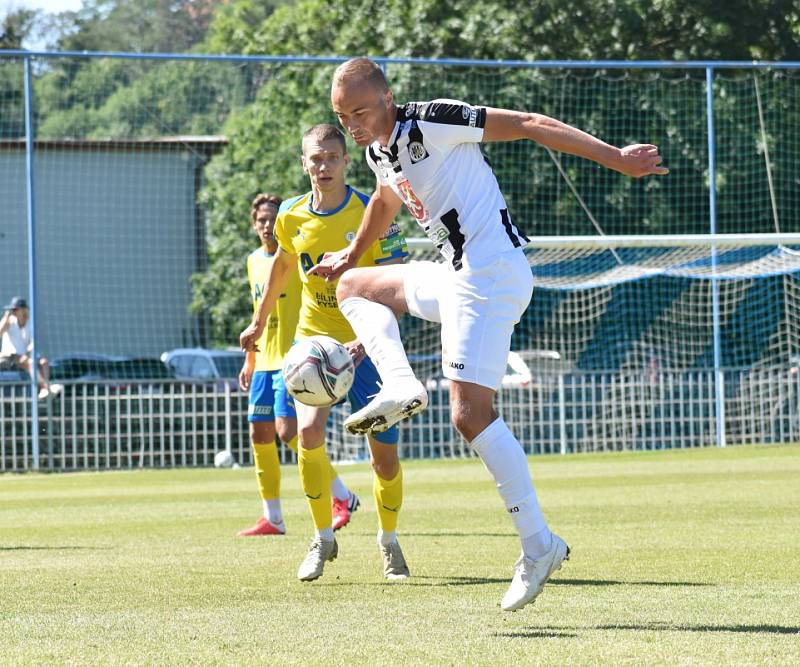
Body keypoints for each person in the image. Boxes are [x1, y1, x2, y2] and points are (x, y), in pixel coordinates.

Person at [310, 57, 669, 611]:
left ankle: (539, 545)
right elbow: (385, 200)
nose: (353, 124)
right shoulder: (377, 151)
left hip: (492, 273)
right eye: (342, 115)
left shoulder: (433, 120)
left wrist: (615, 158)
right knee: (358, 285)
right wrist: (348, 254)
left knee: (470, 415)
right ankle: (399, 384)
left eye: (360, 111)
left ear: (387, 96)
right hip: (456, 277)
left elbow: (527, 121)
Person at [240, 123, 411, 582]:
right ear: (304, 163)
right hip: (313, 343)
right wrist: (258, 321)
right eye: (315, 159)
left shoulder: (373, 211)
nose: (323, 166)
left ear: (346, 161)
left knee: (384, 458)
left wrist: (363, 340)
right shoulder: (291, 216)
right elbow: (281, 265)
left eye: (332, 158)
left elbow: (398, 282)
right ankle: (322, 538)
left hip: (369, 345)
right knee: (307, 434)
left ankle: (389, 541)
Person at [237, 193, 360, 537]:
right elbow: (258, 309)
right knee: (259, 432)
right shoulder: (253, 262)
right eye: (260, 220)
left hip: (296, 358)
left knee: (289, 431)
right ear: (254, 224)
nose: (265, 225)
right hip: (263, 359)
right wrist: (250, 359)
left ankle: (341, 495)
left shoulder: (293, 255)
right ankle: (272, 517)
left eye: (271, 219)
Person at [0, 297, 61, 400]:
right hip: (8, 357)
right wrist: (6, 317)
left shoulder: (30, 323)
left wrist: (30, 351)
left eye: (15, 309)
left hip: (23, 357)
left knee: (44, 362)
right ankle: (46, 388)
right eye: (12, 310)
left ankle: (43, 391)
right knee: (29, 362)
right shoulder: (9, 321)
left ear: (23, 310)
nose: (13, 312)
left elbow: (32, 343)